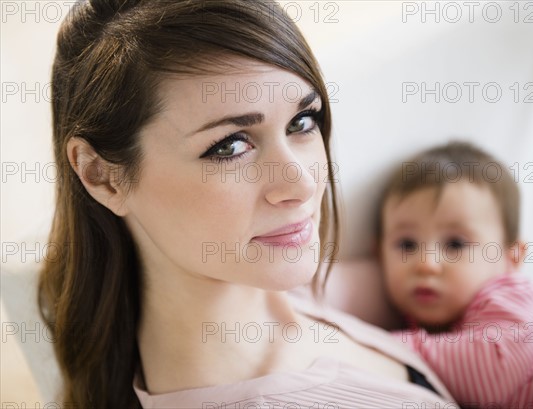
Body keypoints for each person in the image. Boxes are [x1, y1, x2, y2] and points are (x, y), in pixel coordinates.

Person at [38, 1, 458, 407]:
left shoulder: (269, 281)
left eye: (302, 121)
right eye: (230, 146)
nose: (303, 183)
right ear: (102, 175)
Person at [378, 141, 533, 408]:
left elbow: (494, 369)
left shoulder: (512, 295)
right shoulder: (426, 323)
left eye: (456, 245)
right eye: (407, 245)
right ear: (377, 251)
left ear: (512, 257)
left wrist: (378, 344)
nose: (426, 263)